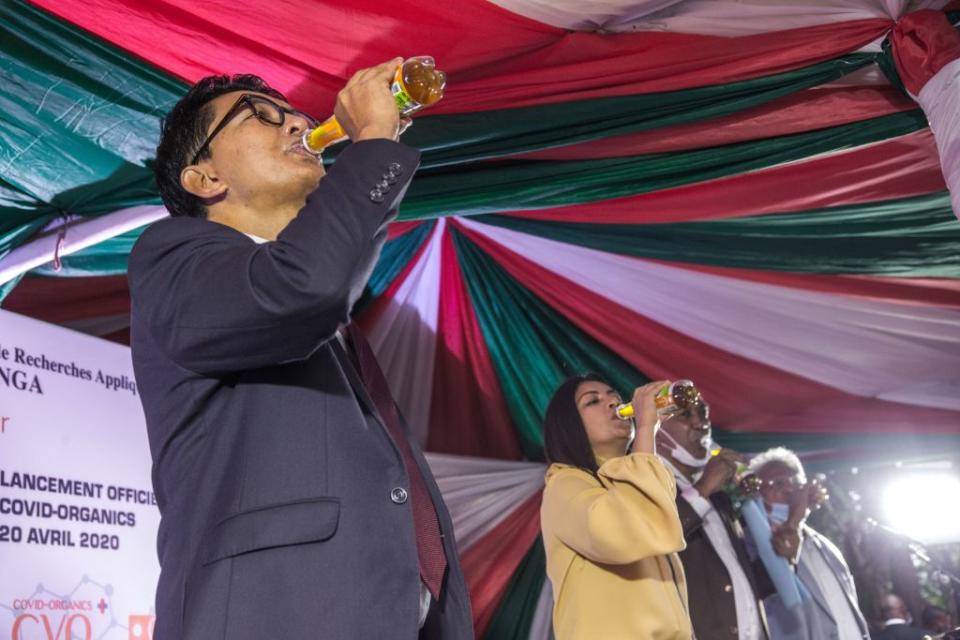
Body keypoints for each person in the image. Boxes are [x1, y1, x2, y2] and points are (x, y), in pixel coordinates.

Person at [129, 63, 472, 639]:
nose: (294, 123)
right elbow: (304, 288)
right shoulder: (172, 256)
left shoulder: (336, 326)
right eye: (260, 117)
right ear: (204, 178)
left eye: (295, 115)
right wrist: (372, 147)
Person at [540, 374, 693, 639]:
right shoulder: (563, 484)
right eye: (593, 401)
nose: (612, 402)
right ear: (568, 426)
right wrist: (646, 430)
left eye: (615, 396)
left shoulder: (631, 480)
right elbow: (621, 534)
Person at [656, 398, 771, 639]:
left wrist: (783, 554)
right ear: (656, 429)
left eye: (703, 412)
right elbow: (652, 539)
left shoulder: (719, 497)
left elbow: (743, 584)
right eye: (685, 415)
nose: (700, 423)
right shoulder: (650, 486)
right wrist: (703, 488)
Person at [749, 448, 869, 640]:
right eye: (778, 483)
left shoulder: (825, 546)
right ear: (756, 492)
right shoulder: (750, 545)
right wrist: (794, 521)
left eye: (796, 482)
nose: (790, 490)